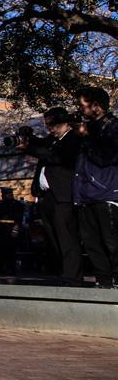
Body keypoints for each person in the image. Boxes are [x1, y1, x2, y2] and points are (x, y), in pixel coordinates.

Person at [25, 107, 83, 284]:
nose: (50, 128)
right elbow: (41, 146)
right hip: (46, 195)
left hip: (63, 195)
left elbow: (56, 157)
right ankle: (61, 271)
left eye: (53, 124)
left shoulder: (73, 139)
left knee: (66, 236)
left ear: (65, 122)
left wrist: (32, 149)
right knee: (52, 236)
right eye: (47, 124)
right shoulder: (52, 140)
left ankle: (72, 275)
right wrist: (29, 138)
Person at [75, 86, 118, 288]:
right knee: (92, 243)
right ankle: (104, 281)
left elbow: (106, 157)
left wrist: (87, 138)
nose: (80, 110)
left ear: (97, 106)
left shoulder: (113, 127)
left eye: (83, 105)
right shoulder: (87, 129)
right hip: (86, 195)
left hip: (107, 192)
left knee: (112, 241)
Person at [0, 188, 24, 275]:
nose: (5, 196)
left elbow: (19, 219)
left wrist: (16, 229)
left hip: (10, 229)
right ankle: (0, 268)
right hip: (0, 230)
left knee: (10, 251)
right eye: (4, 194)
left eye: (7, 194)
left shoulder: (17, 204)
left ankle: (11, 269)